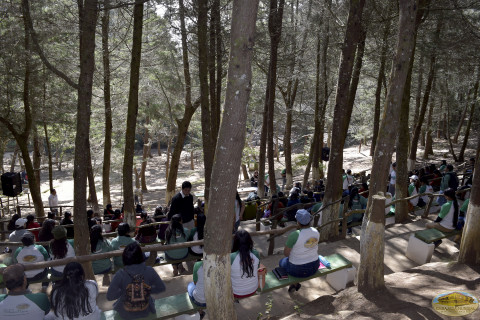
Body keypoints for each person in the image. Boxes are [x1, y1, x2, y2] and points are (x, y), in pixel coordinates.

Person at [107, 242, 166, 319]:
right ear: (141, 256)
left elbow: (110, 296)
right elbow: (161, 287)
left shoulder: (120, 274)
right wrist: (146, 289)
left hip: (125, 314)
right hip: (146, 311)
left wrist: (124, 290)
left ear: (124, 258)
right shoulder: (149, 271)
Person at [279, 209, 320, 292]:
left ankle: (294, 283)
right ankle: (295, 283)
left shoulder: (294, 235)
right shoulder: (316, 231)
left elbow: (286, 254)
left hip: (296, 270)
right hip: (314, 266)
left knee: (281, 262)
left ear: (298, 221)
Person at [230, 230, 260, 299]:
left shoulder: (231, 257)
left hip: (236, 293)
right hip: (253, 289)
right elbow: (257, 267)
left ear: (235, 242)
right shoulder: (255, 253)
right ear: (250, 241)